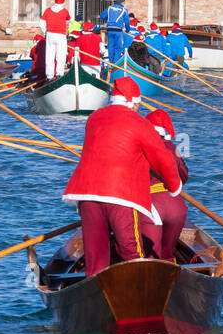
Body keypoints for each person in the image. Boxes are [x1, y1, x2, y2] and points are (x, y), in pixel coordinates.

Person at [63, 77, 185, 273]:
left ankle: (97, 292)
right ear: (135, 103)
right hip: (121, 196)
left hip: (85, 194)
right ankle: (138, 290)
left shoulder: (94, 118)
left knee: (95, 257)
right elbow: (162, 157)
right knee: (131, 252)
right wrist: (174, 187)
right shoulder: (139, 122)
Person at [145, 109, 190, 260]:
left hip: (150, 205)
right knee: (166, 256)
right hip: (176, 206)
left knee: (149, 257)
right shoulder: (173, 148)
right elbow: (183, 176)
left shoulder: (140, 146)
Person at [41, 0, 70, 79]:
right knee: (61, 55)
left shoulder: (48, 11)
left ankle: (49, 75)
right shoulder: (65, 11)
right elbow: (69, 19)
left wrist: (45, 33)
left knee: (50, 55)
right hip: (61, 35)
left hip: (50, 34)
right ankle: (59, 74)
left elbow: (41, 24)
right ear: (63, 3)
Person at [100, 0, 131, 67]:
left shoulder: (109, 8)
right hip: (118, 30)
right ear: (122, 2)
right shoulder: (124, 10)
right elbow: (127, 22)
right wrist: (127, 30)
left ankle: (110, 63)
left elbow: (102, 16)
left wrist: (110, 19)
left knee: (110, 46)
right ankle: (115, 64)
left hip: (110, 30)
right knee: (118, 47)